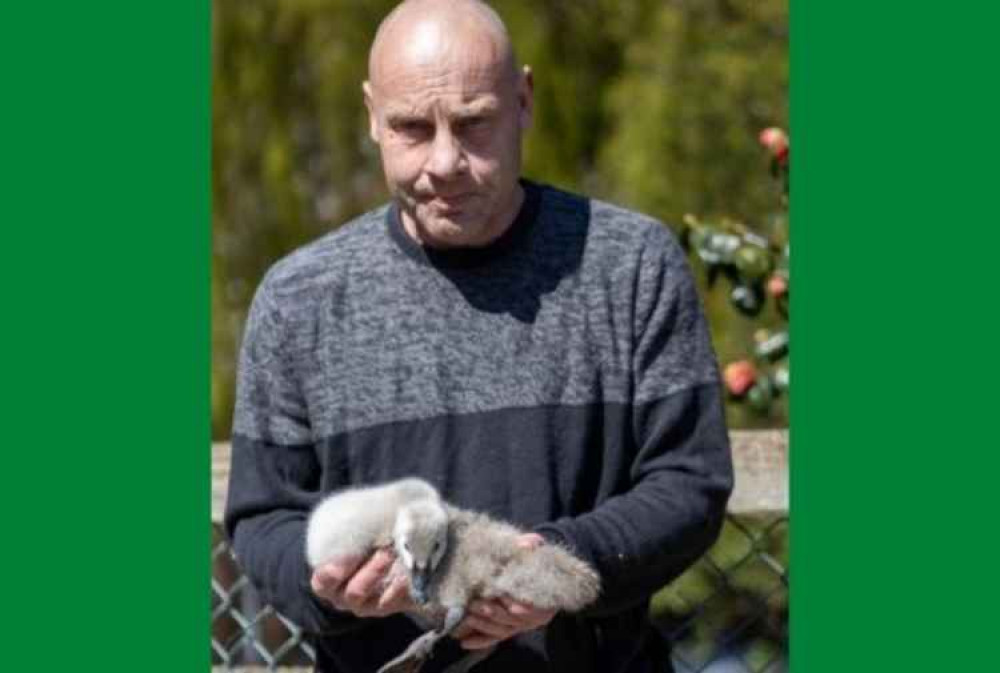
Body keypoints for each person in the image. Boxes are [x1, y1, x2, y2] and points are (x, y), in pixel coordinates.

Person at [224, 0, 733, 671]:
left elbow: (689, 483)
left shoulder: (631, 266)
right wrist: (331, 585)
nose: (444, 162)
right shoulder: (299, 298)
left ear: (522, 100)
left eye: (473, 124)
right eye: (411, 127)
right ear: (373, 115)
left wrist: (553, 566)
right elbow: (263, 519)